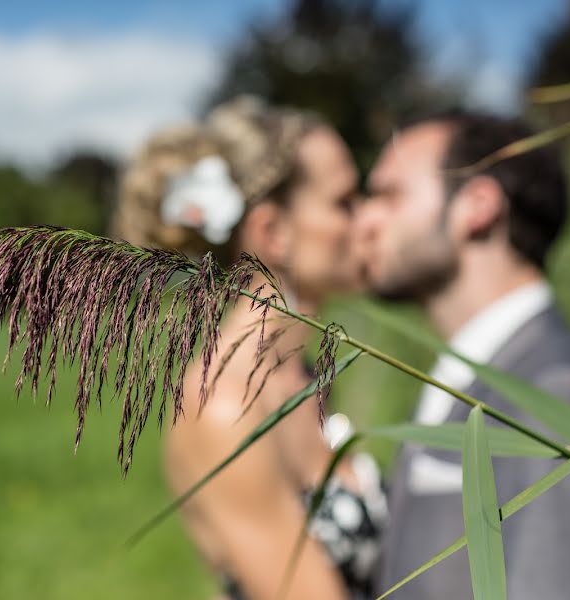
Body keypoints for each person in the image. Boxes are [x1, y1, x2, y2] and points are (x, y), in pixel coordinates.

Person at [114, 96, 387, 600]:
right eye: (344, 201)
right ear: (273, 233)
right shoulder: (223, 408)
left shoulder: (300, 374)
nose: (369, 219)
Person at [353, 111, 570, 599]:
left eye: (389, 195)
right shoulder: (465, 374)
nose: (364, 221)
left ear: (478, 206)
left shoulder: (557, 396)